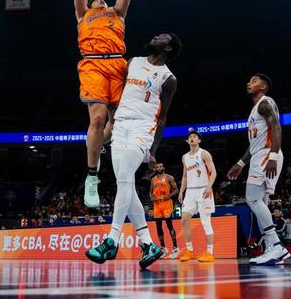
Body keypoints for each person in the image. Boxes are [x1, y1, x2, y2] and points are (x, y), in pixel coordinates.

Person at [86, 33, 181, 270]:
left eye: (162, 37)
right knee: (125, 183)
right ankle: (148, 244)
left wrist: (153, 151)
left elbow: (163, 117)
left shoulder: (168, 78)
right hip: (120, 126)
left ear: (168, 48)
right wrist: (110, 121)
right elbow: (116, 94)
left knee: (125, 178)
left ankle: (111, 240)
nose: (156, 36)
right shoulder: (134, 62)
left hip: (142, 128)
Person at [74, 0, 134, 208]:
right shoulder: (83, 15)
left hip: (118, 65)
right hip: (93, 64)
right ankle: (92, 176)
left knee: (117, 123)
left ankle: (96, 146)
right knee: (97, 119)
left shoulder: (117, 14)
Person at [227, 74, 290, 266]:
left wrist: (273, 155)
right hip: (260, 154)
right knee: (260, 202)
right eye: (249, 80)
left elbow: (276, 127)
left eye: (254, 81)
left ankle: (276, 245)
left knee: (252, 198)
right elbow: (254, 144)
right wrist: (240, 163)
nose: (249, 83)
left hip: (266, 154)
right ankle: (273, 249)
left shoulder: (264, 103)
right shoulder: (256, 109)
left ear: (263, 87)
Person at [178, 131, 217, 263]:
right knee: (184, 220)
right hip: (190, 192)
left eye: (195, 137)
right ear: (187, 141)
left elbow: (213, 172)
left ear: (199, 140)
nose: (192, 138)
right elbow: (185, 176)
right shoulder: (184, 157)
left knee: (206, 222)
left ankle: (210, 253)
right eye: (190, 137)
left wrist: (209, 186)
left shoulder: (204, 154)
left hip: (204, 190)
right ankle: (190, 251)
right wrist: (181, 191)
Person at [149, 162, 179, 259]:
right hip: (157, 204)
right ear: (155, 169)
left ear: (163, 167)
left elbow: (176, 190)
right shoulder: (153, 179)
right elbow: (150, 192)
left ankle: (175, 247)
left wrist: (168, 196)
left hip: (166, 203)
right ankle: (163, 248)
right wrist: (152, 198)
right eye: (157, 167)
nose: (159, 168)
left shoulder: (169, 177)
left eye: (161, 166)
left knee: (169, 225)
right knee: (158, 227)